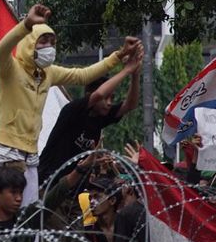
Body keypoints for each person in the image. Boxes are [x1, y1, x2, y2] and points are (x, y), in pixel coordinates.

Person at [0, 3, 141, 206]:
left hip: (31, 155)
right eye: (43, 41)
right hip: (5, 149)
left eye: (52, 42)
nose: (49, 47)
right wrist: (27, 24)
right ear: (29, 43)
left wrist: (119, 55)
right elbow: (0, 50)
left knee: (31, 217)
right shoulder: (11, 69)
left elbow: (83, 74)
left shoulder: (48, 73)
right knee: (3, 216)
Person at [39, 53, 143, 185]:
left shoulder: (101, 117)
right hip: (49, 180)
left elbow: (130, 105)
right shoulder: (73, 110)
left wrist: (135, 74)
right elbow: (99, 94)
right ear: (89, 94)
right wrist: (126, 70)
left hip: (73, 186)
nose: (109, 103)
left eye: (112, 98)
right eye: (106, 98)